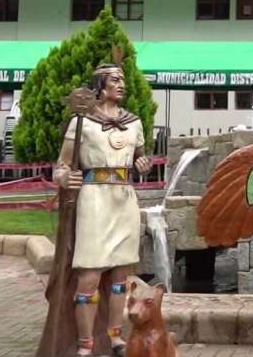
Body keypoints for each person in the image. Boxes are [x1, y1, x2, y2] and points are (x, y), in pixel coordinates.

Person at [37, 63, 151, 357]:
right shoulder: (81, 123)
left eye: (123, 79)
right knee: (89, 274)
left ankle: (115, 338)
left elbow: (139, 156)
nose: (122, 84)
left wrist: (142, 163)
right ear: (100, 86)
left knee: (120, 278)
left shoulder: (134, 123)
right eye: (115, 80)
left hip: (124, 199)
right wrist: (64, 177)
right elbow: (60, 166)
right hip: (94, 199)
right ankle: (86, 343)